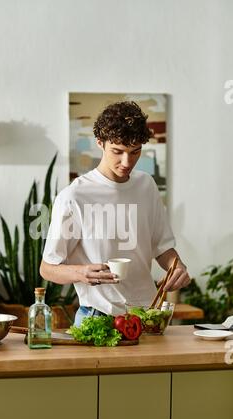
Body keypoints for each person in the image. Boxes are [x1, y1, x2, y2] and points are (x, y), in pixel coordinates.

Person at [40, 101, 190, 326]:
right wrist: (82, 273)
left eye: (135, 151)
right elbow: (47, 268)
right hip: (98, 316)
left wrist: (177, 266)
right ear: (100, 143)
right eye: (117, 152)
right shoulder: (74, 196)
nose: (127, 162)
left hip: (147, 315)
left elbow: (162, 247)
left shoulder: (146, 186)